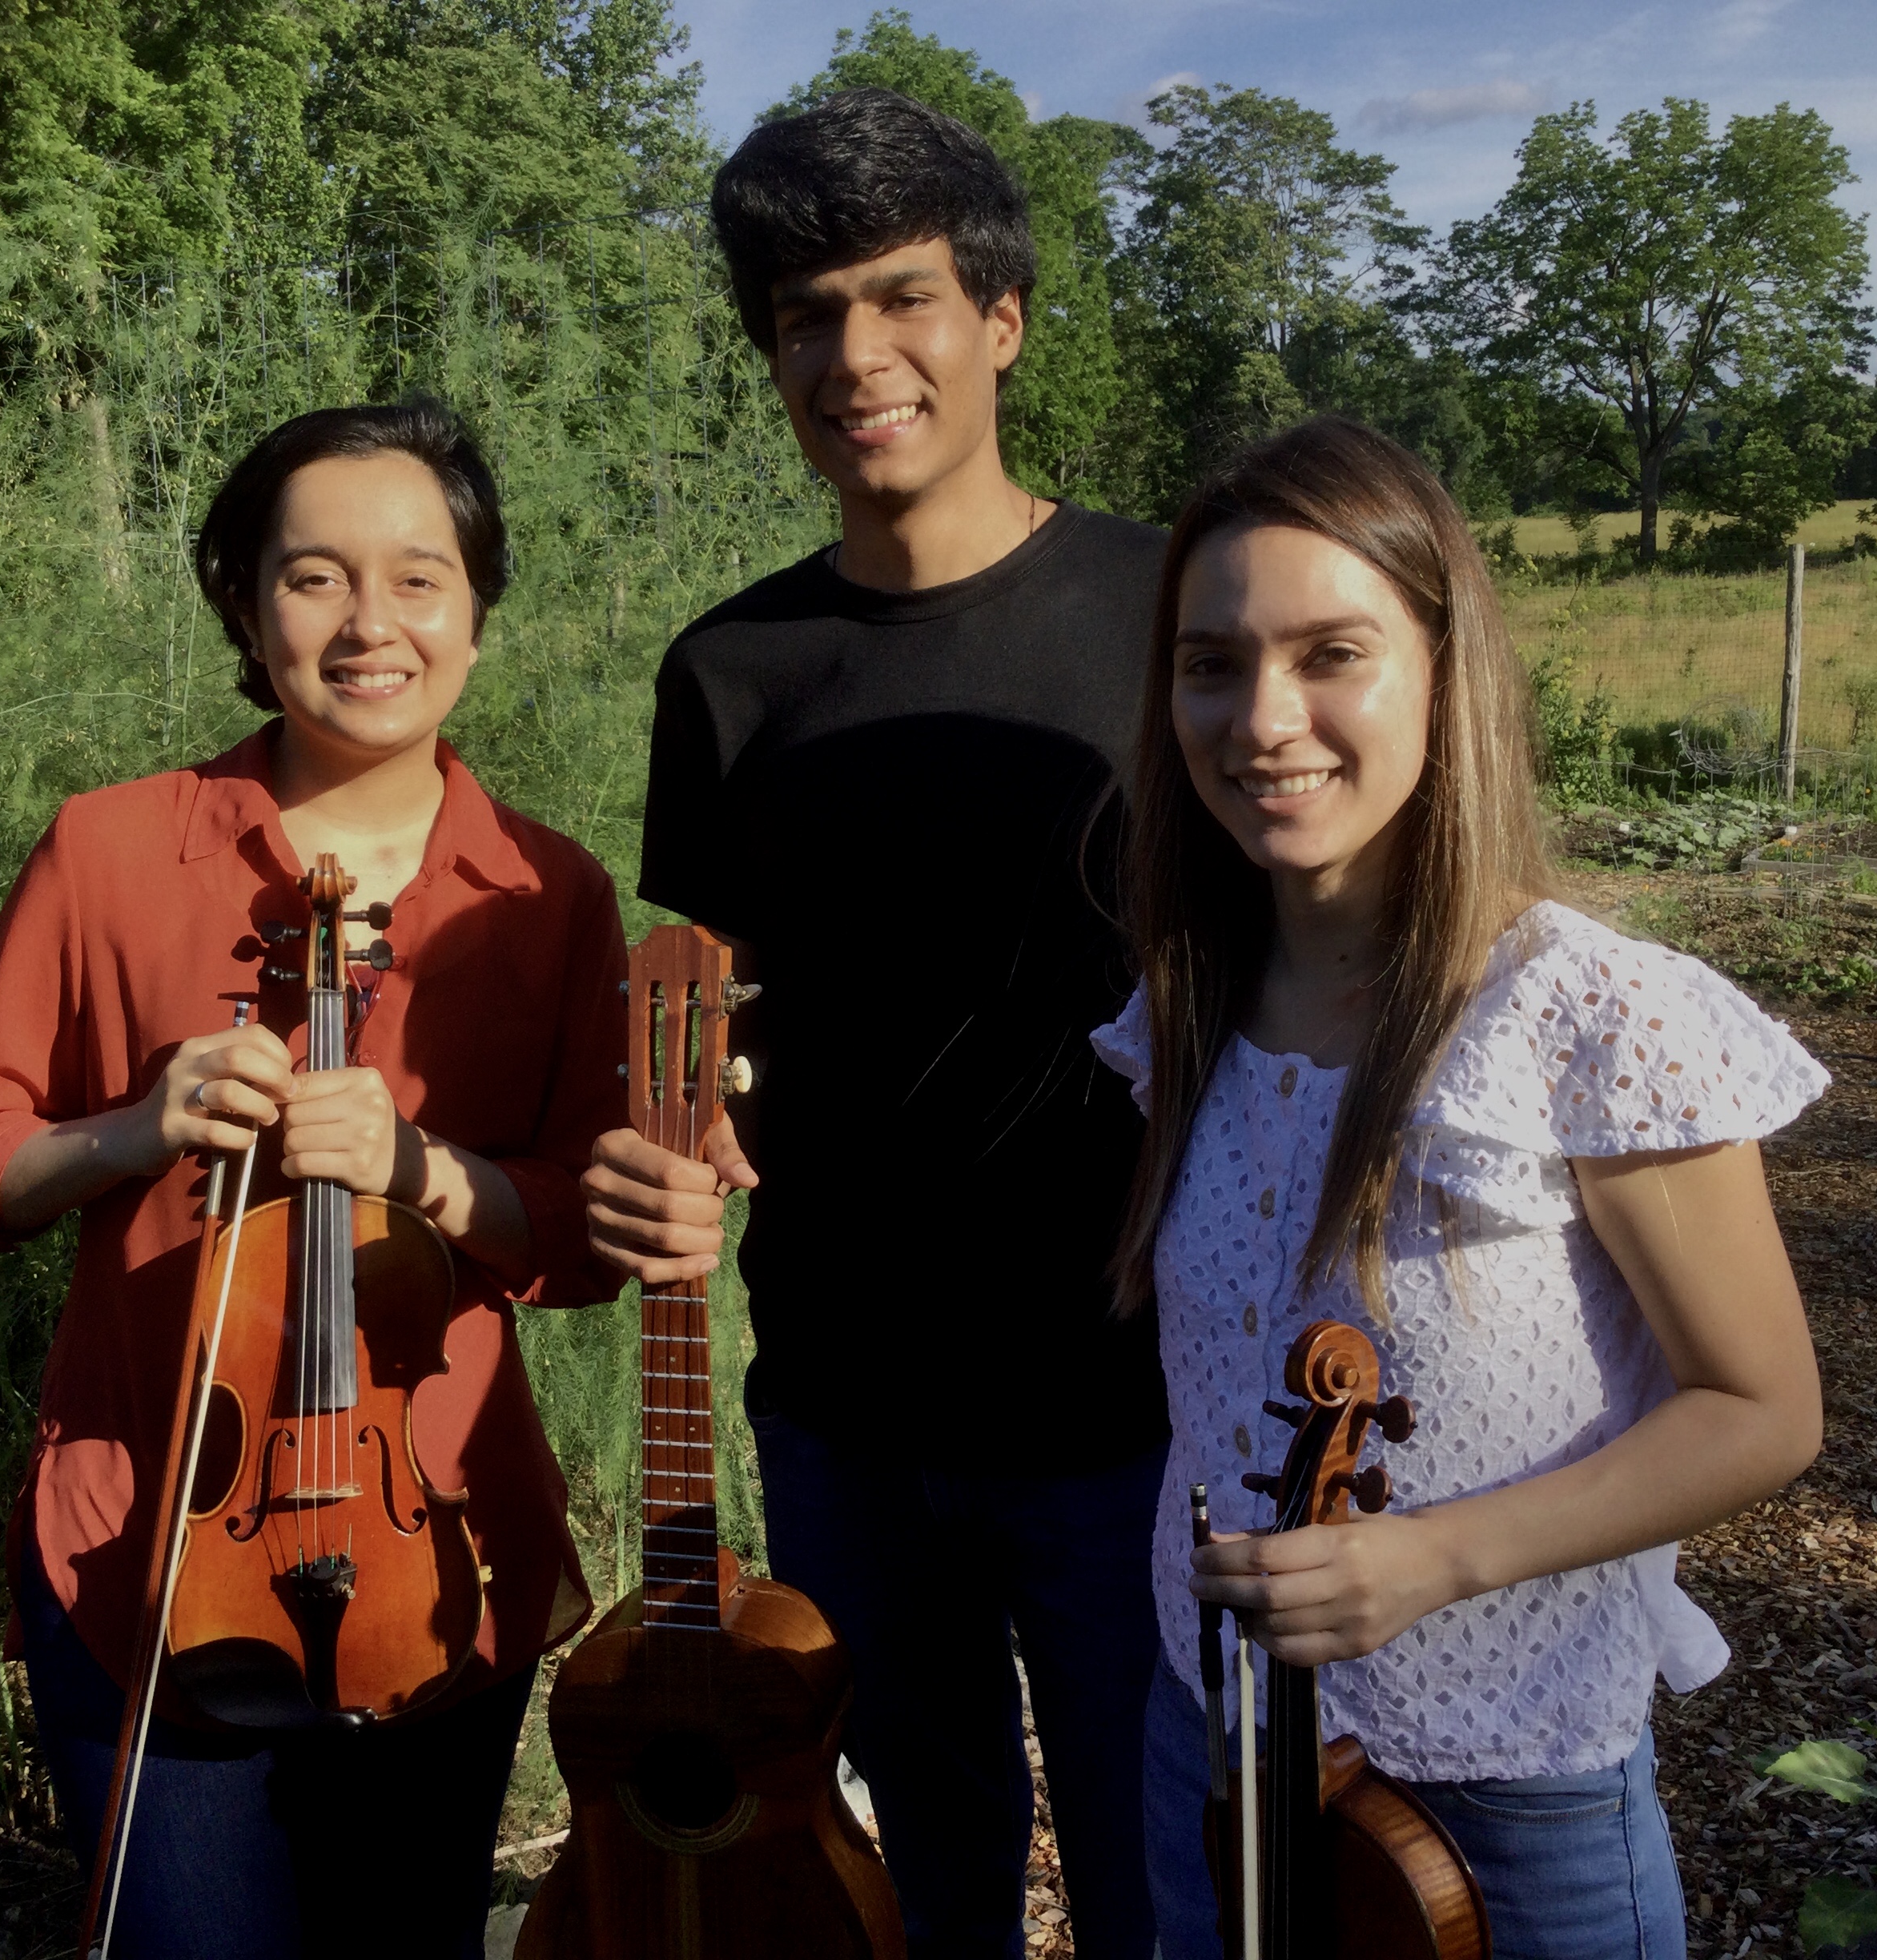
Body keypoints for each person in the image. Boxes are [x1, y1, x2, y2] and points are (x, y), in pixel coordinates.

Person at [0, 399, 626, 1960]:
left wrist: (429, 1171)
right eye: (315, 578)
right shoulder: (107, 852)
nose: (373, 623)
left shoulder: (550, 893)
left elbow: (581, 1238)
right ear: (243, 601)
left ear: (478, 606)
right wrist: (132, 1129)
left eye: (420, 577)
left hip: (442, 1553)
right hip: (150, 1546)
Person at [1104, 416, 1826, 1960]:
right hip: (1215, 1735)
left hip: (1511, 1788)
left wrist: (1431, 1556)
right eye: (1211, 663)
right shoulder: (1183, 1012)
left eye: (1333, 653)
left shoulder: (1591, 1016)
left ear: (1445, 668)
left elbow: (1763, 1409)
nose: (1264, 718)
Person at [579, 89, 1168, 1960]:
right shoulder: (729, 673)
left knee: (1160, 1865)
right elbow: (717, 1018)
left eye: (901, 299)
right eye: (803, 317)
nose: (855, 357)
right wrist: (679, 1160)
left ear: (1000, 318)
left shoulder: (1170, 615)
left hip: (1126, 1403)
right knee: (925, 1866)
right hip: (841, 1397)